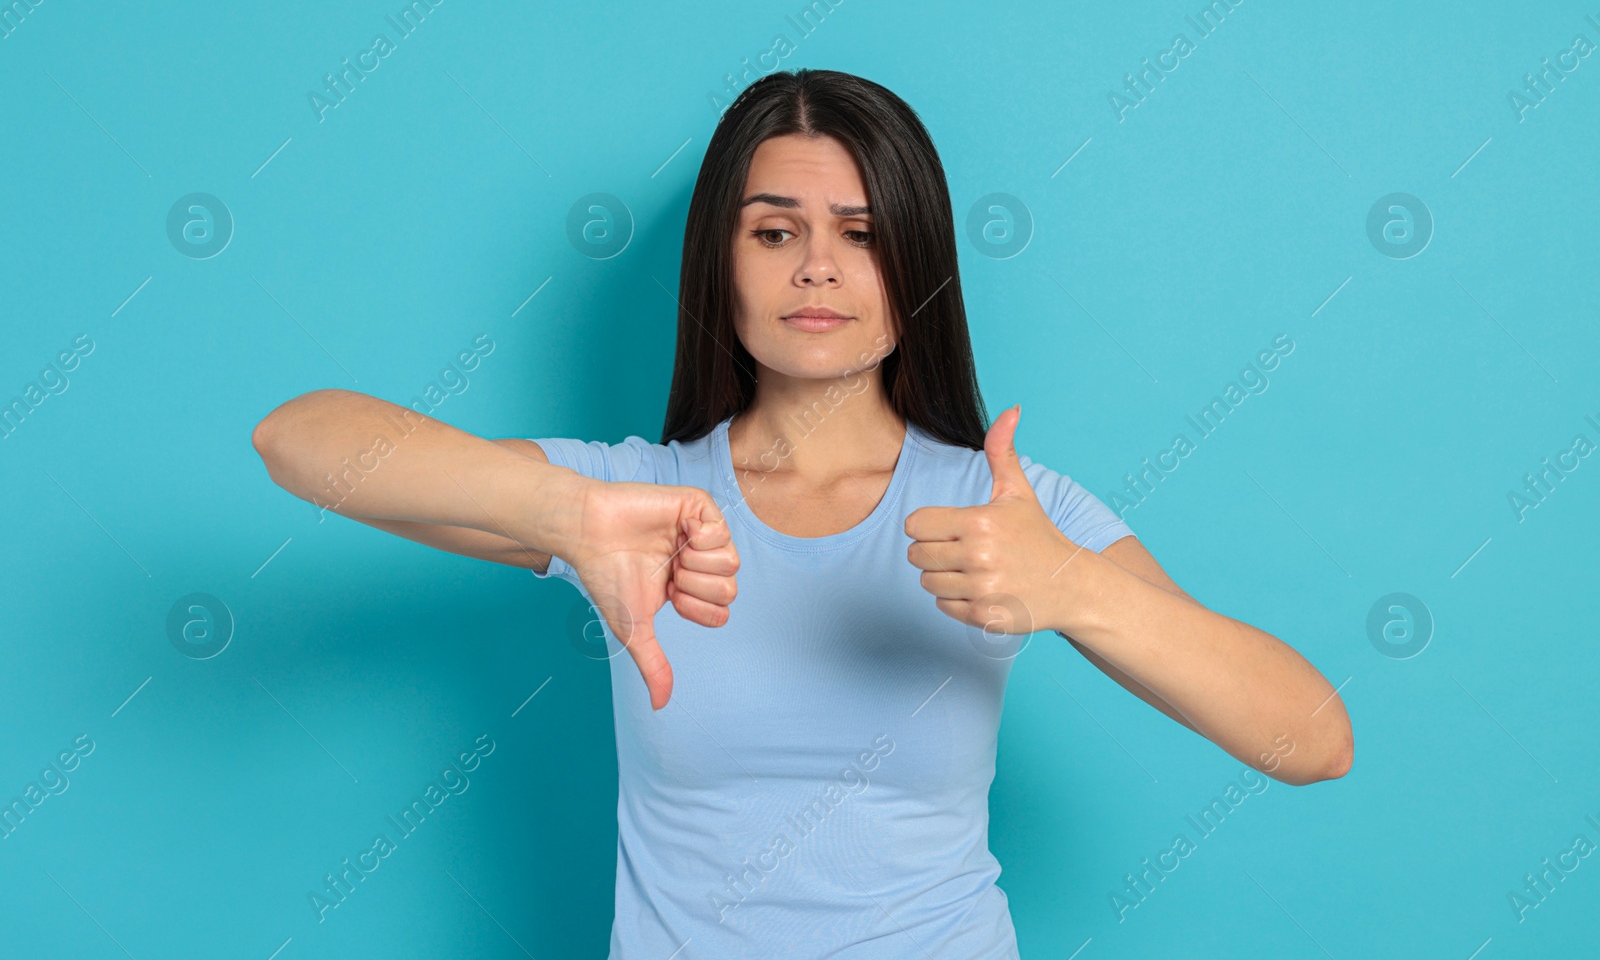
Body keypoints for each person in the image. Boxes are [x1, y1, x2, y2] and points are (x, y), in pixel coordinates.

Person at [251, 68, 1353, 957]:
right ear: (720, 267)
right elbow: (299, 439)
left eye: (861, 233)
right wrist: (568, 512)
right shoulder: (628, 497)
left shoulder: (1009, 510)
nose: (817, 268)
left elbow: (1312, 735)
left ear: (913, 264)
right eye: (773, 232)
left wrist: (1074, 585)